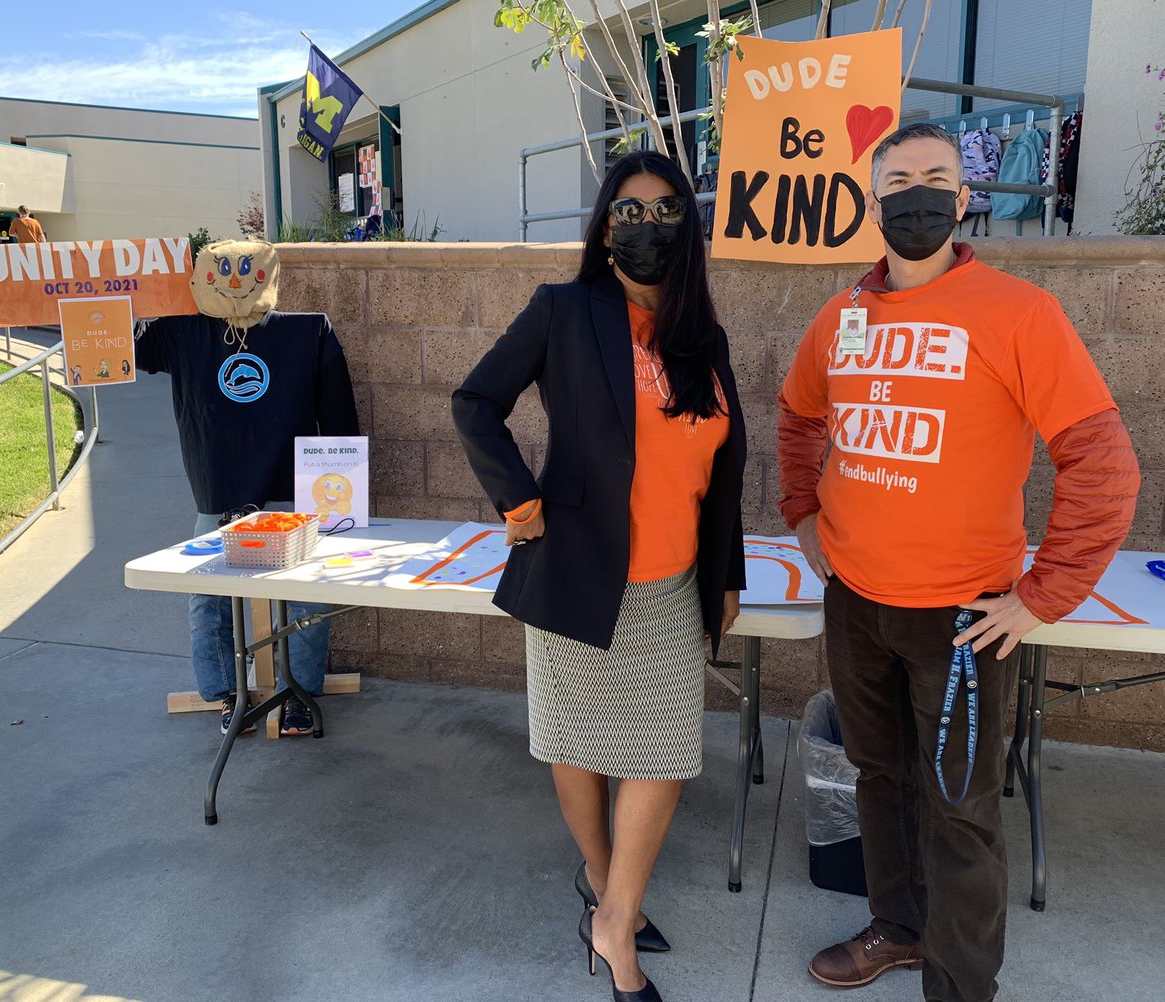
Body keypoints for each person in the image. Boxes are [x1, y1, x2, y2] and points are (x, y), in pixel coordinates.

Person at [777, 122, 1140, 1002]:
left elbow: (1103, 461)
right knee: (880, 778)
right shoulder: (843, 316)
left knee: (962, 812)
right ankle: (897, 929)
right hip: (856, 601)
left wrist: (1042, 594)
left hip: (964, 617)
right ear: (873, 203)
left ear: (964, 196)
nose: (918, 195)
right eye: (898, 180)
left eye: (936, 177)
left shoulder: (1019, 312)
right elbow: (799, 419)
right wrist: (806, 519)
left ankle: (962, 985)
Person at [453, 150, 746, 1002]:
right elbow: (475, 404)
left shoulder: (704, 335)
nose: (646, 225)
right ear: (603, 225)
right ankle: (604, 887)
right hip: (579, 573)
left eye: (664, 211)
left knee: (662, 757)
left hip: (671, 586)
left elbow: (721, 470)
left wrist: (723, 573)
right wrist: (518, 504)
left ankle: (614, 917)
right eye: (628, 209)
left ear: (686, 228)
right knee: (578, 748)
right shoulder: (565, 311)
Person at [136, 239, 359, 737]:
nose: (235, 282)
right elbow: (119, 347)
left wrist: (343, 493)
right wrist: (124, 288)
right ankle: (227, 692)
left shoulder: (307, 332)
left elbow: (341, 420)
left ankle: (298, 691)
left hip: (291, 490)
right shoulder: (181, 333)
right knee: (208, 595)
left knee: (306, 594)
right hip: (219, 492)